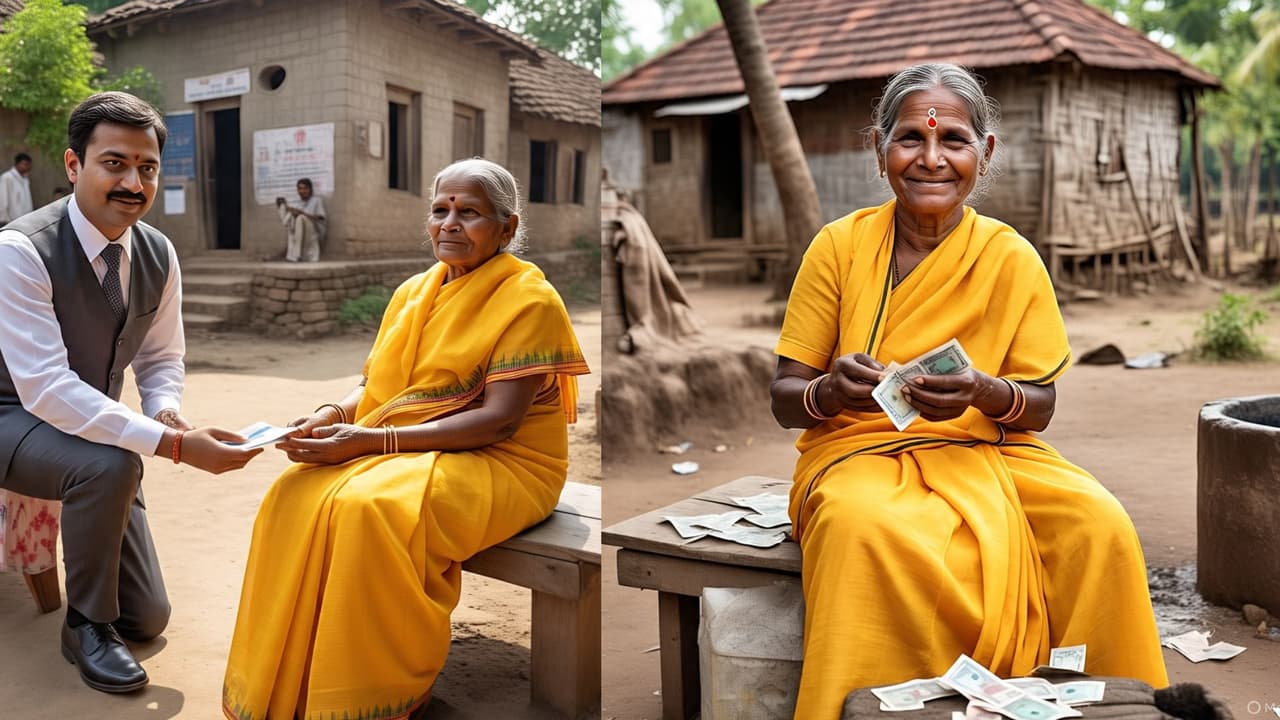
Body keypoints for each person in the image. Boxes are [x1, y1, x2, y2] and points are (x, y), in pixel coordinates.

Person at [769, 64, 1167, 718]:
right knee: (859, 525)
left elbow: (1040, 406)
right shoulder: (838, 247)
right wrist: (830, 393)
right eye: (910, 139)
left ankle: (1110, 707)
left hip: (990, 453)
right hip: (859, 455)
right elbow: (786, 396)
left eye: (952, 140)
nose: (931, 159)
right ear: (880, 148)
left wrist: (983, 391)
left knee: (1099, 524)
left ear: (984, 152)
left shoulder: (1010, 257)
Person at [222, 158, 590, 720]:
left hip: (507, 461)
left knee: (371, 509)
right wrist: (326, 415)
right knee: (293, 492)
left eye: (469, 213)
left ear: (507, 228)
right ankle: (300, 681)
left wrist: (369, 443)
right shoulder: (414, 292)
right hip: (415, 443)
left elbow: (499, 422)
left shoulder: (530, 301)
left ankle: (376, 693)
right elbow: (374, 387)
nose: (450, 224)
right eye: (440, 210)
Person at [0, 91, 262, 694]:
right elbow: (44, 386)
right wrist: (173, 446)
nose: (133, 183)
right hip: (12, 415)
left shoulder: (158, 253)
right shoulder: (21, 251)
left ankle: (108, 612)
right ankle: (85, 626)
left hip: (86, 428)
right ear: (74, 165)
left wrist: (165, 411)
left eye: (147, 168)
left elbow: (161, 355)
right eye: (114, 163)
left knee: (147, 618)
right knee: (112, 463)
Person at [275, 177, 326, 262]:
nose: (302, 191)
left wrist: (302, 213)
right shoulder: (298, 203)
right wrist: (284, 208)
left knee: (301, 217)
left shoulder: (316, 200)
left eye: (305, 188)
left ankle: (296, 255)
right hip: (301, 234)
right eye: (300, 188)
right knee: (291, 219)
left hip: (313, 233)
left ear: (310, 189)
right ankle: (292, 254)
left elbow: (321, 217)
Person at [0, 151, 34, 225]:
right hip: (10, 222)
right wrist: (5, 221)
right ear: (17, 164)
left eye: (28, 165)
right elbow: (2, 201)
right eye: (25, 164)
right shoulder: (7, 177)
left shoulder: (25, 179)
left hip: (25, 221)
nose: (27, 167)